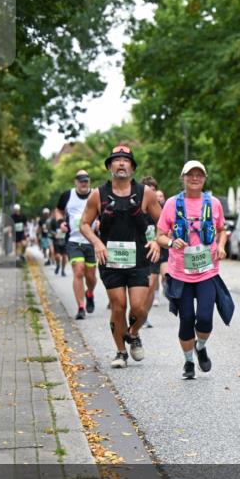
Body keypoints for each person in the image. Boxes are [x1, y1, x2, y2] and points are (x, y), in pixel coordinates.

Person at [79, 144, 162, 368]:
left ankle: (133, 333)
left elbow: (164, 222)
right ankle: (121, 352)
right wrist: (97, 243)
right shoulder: (98, 194)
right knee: (118, 306)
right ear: (110, 167)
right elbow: (84, 224)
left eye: (126, 160)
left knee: (139, 308)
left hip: (139, 259)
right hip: (110, 259)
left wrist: (157, 240)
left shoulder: (145, 193)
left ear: (132, 168)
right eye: (116, 160)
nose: (121, 163)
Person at [156, 160, 229, 378]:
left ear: (204, 179)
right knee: (186, 319)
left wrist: (221, 246)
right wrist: (171, 242)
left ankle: (201, 347)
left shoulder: (213, 203)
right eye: (190, 175)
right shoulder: (172, 204)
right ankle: (188, 362)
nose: (195, 178)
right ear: (183, 178)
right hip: (180, 273)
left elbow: (221, 230)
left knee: (205, 318)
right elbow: (159, 236)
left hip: (207, 271)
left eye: (199, 175)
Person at [57, 170, 98, 319]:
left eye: (86, 181)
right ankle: (81, 307)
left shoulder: (96, 194)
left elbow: (104, 212)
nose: (83, 183)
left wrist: (100, 222)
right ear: (76, 182)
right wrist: (60, 222)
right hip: (73, 240)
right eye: (81, 181)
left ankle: (90, 293)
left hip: (91, 241)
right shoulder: (67, 195)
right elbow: (58, 210)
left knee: (91, 277)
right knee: (78, 271)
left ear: (89, 181)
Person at [140, 176, 166, 327]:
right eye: (148, 189)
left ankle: (144, 315)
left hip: (154, 251)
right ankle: (138, 313)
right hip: (138, 252)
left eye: (154, 189)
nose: (152, 192)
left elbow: (165, 227)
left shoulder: (159, 208)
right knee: (140, 288)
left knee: (151, 286)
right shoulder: (136, 207)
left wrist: (157, 240)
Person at [47, 208, 68, 276]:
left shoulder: (66, 220)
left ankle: (63, 270)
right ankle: (58, 265)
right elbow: (49, 230)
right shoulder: (53, 221)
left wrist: (66, 231)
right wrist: (55, 234)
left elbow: (70, 229)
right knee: (58, 256)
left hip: (64, 241)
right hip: (56, 241)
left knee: (64, 256)